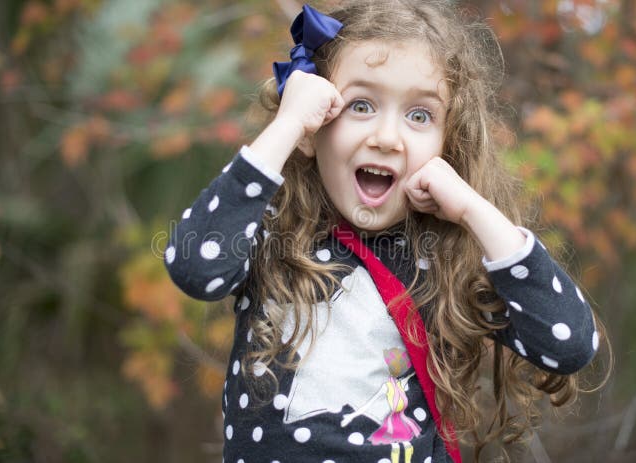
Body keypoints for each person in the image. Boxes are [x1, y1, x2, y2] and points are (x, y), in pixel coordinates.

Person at [165, 1, 605, 462]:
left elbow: (568, 344)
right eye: (360, 105)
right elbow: (195, 267)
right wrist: (288, 124)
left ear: (446, 147)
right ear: (316, 129)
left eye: (420, 116)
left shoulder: (443, 262)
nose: (388, 137)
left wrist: (475, 210)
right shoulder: (272, 236)